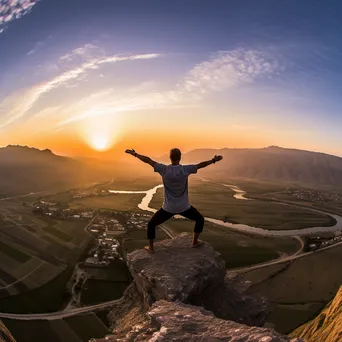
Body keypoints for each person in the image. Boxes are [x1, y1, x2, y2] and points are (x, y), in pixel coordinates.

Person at [125, 148, 223, 253]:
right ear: (180, 158)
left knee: (151, 224)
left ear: (170, 158)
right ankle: (194, 242)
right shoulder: (185, 169)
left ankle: (151, 248)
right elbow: (201, 165)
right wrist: (213, 160)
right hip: (184, 207)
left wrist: (135, 154)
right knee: (200, 219)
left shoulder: (164, 169)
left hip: (168, 208)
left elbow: (148, 160)